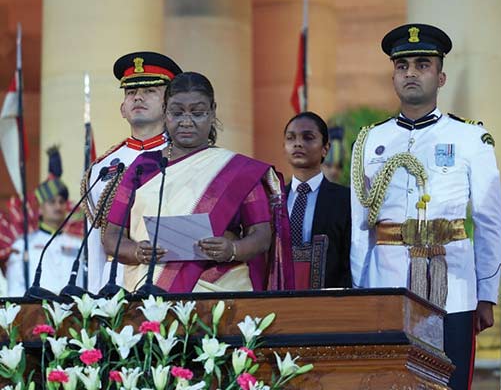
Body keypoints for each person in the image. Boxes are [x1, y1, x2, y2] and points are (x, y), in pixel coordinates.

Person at [349, 23, 501, 389]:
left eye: (422, 64)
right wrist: (360, 289)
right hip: (384, 282)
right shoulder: (371, 139)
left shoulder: (470, 138)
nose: (411, 73)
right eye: (402, 67)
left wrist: (486, 294)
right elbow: (360, 225)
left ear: (441, 76)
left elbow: (488, 220)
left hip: (453, 281)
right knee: (387, 378)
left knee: (447, 381)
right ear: (393, 77)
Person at [102, 71, 294, 293]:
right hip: (149, 294)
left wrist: (232, 249)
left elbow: (261, 236)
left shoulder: (238, 170)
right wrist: (136, 252)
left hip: (220, 293)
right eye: (177, 112)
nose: (186, 122)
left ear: (213, 112)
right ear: (165, 112)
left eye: (198, 113)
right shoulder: (142, 167)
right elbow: (112, 236)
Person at [82, 51, 182, 293]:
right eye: (131, 92)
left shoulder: (184, 157)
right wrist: (93, 296)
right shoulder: (101, 167)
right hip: (113, 284)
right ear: (123, 108)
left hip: (168, 279)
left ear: (168, 103)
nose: (138, 97)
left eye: (150, 91)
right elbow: (95, 241)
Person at [283, 111, 351, 289]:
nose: (298, 143)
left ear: (325, 148)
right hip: (278, 299)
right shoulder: (273, 199)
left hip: (330, 303)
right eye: (291, 138)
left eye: (308, 137)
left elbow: (350, 260)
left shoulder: (345, 200)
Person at [7, 147, 82, 296]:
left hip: (74, 314)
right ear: (40, 208)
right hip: (36, 313)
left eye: (61, 202)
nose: (58, 206)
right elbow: (15, 288)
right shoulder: (23, 245)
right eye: (52, 202)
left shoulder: (78, 245)